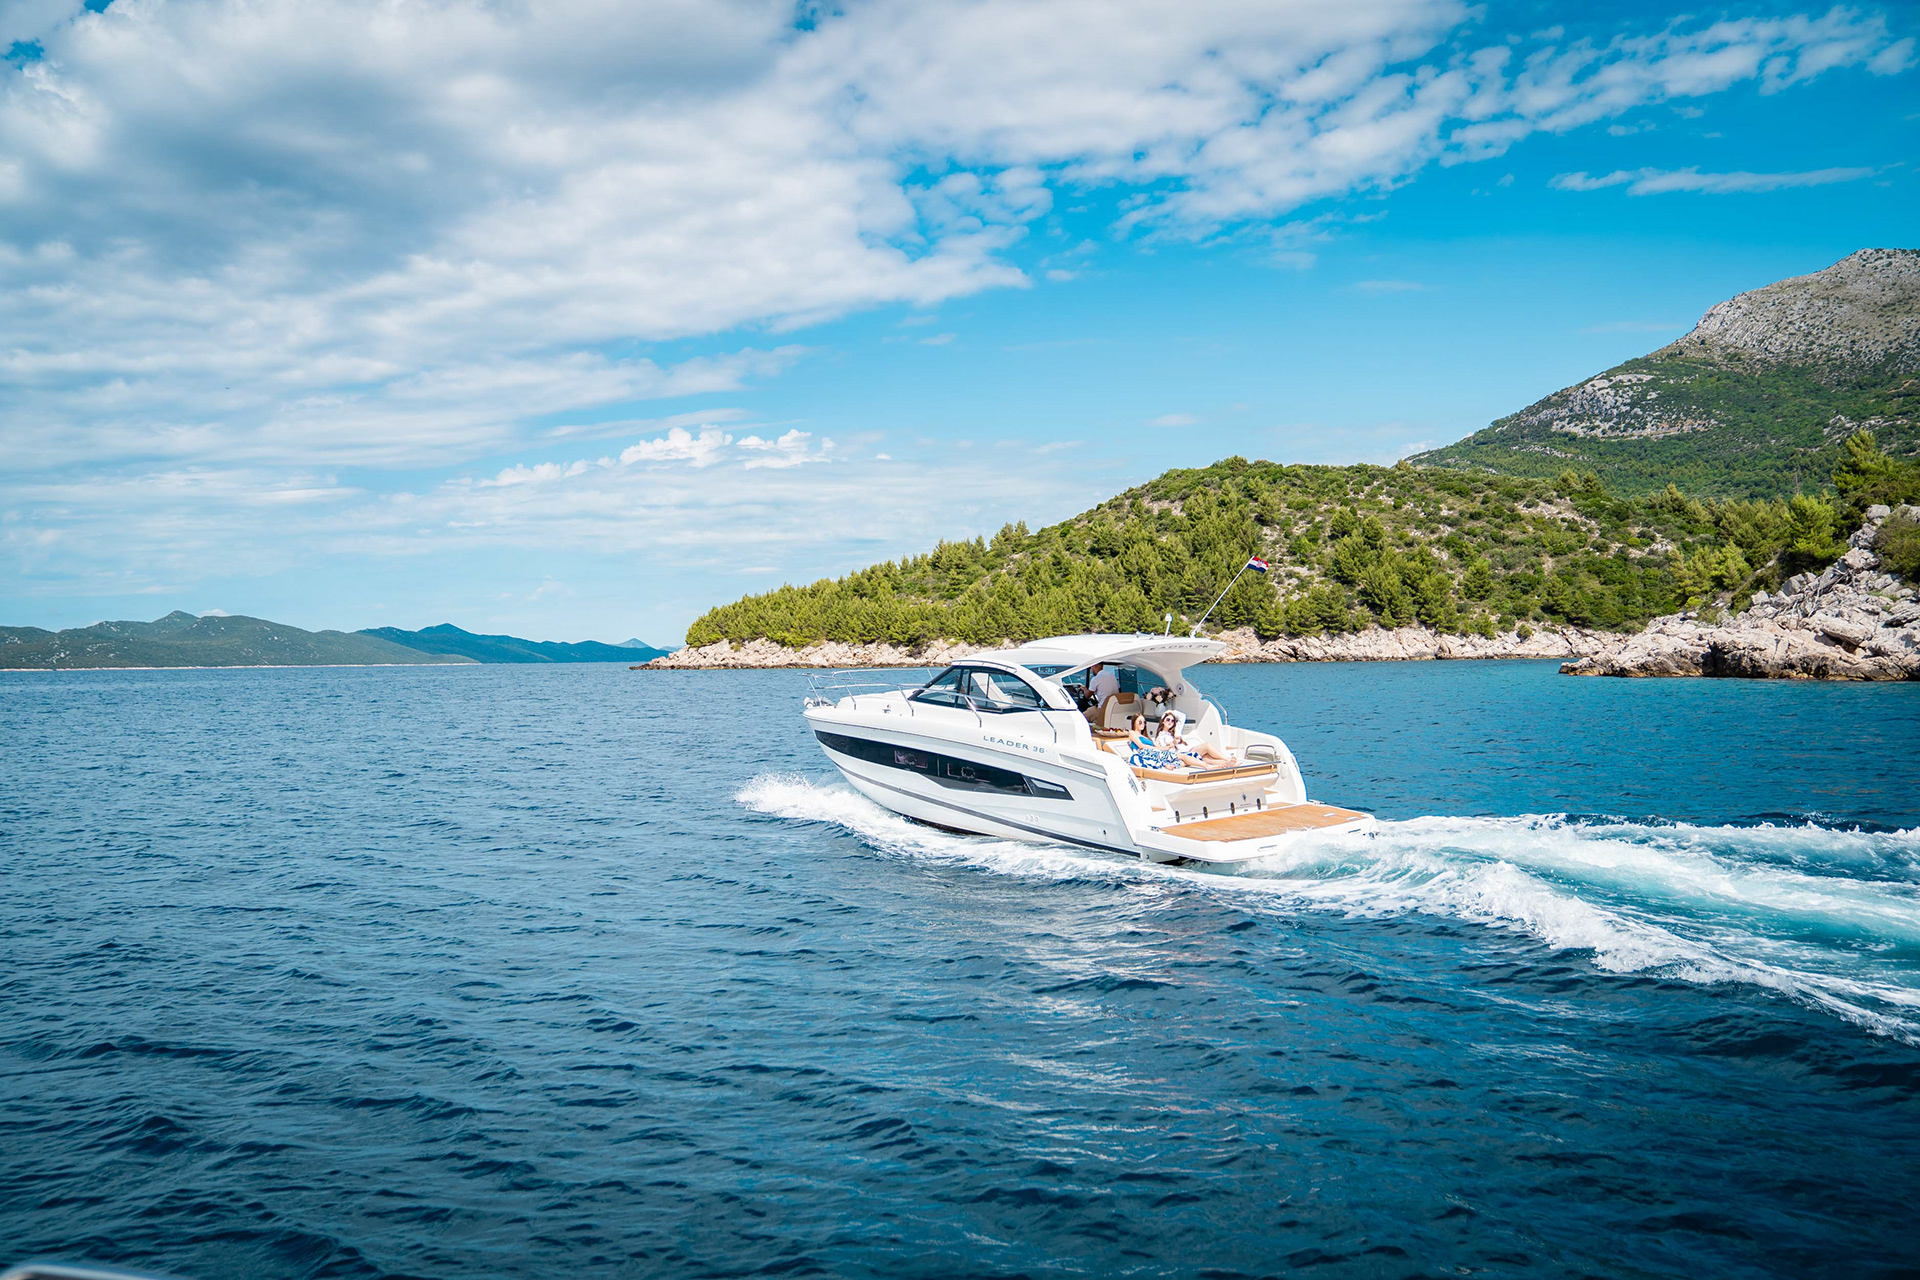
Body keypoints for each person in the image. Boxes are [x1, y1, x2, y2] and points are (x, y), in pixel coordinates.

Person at [1155, 710, 1236, 767]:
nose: (1170, 722)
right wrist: (1173, 744)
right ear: (1163, 721)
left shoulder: (1176, 731)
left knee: (1206, 758)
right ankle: (1226, 759)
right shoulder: (1160, 737)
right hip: (1182, 755)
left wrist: (1170, 712)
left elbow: (1182, 716)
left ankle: (1227, 763)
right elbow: (1163, 751)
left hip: (1186, 751)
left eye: (1172, 721)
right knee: (1206, 746)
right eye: (1168, 719)